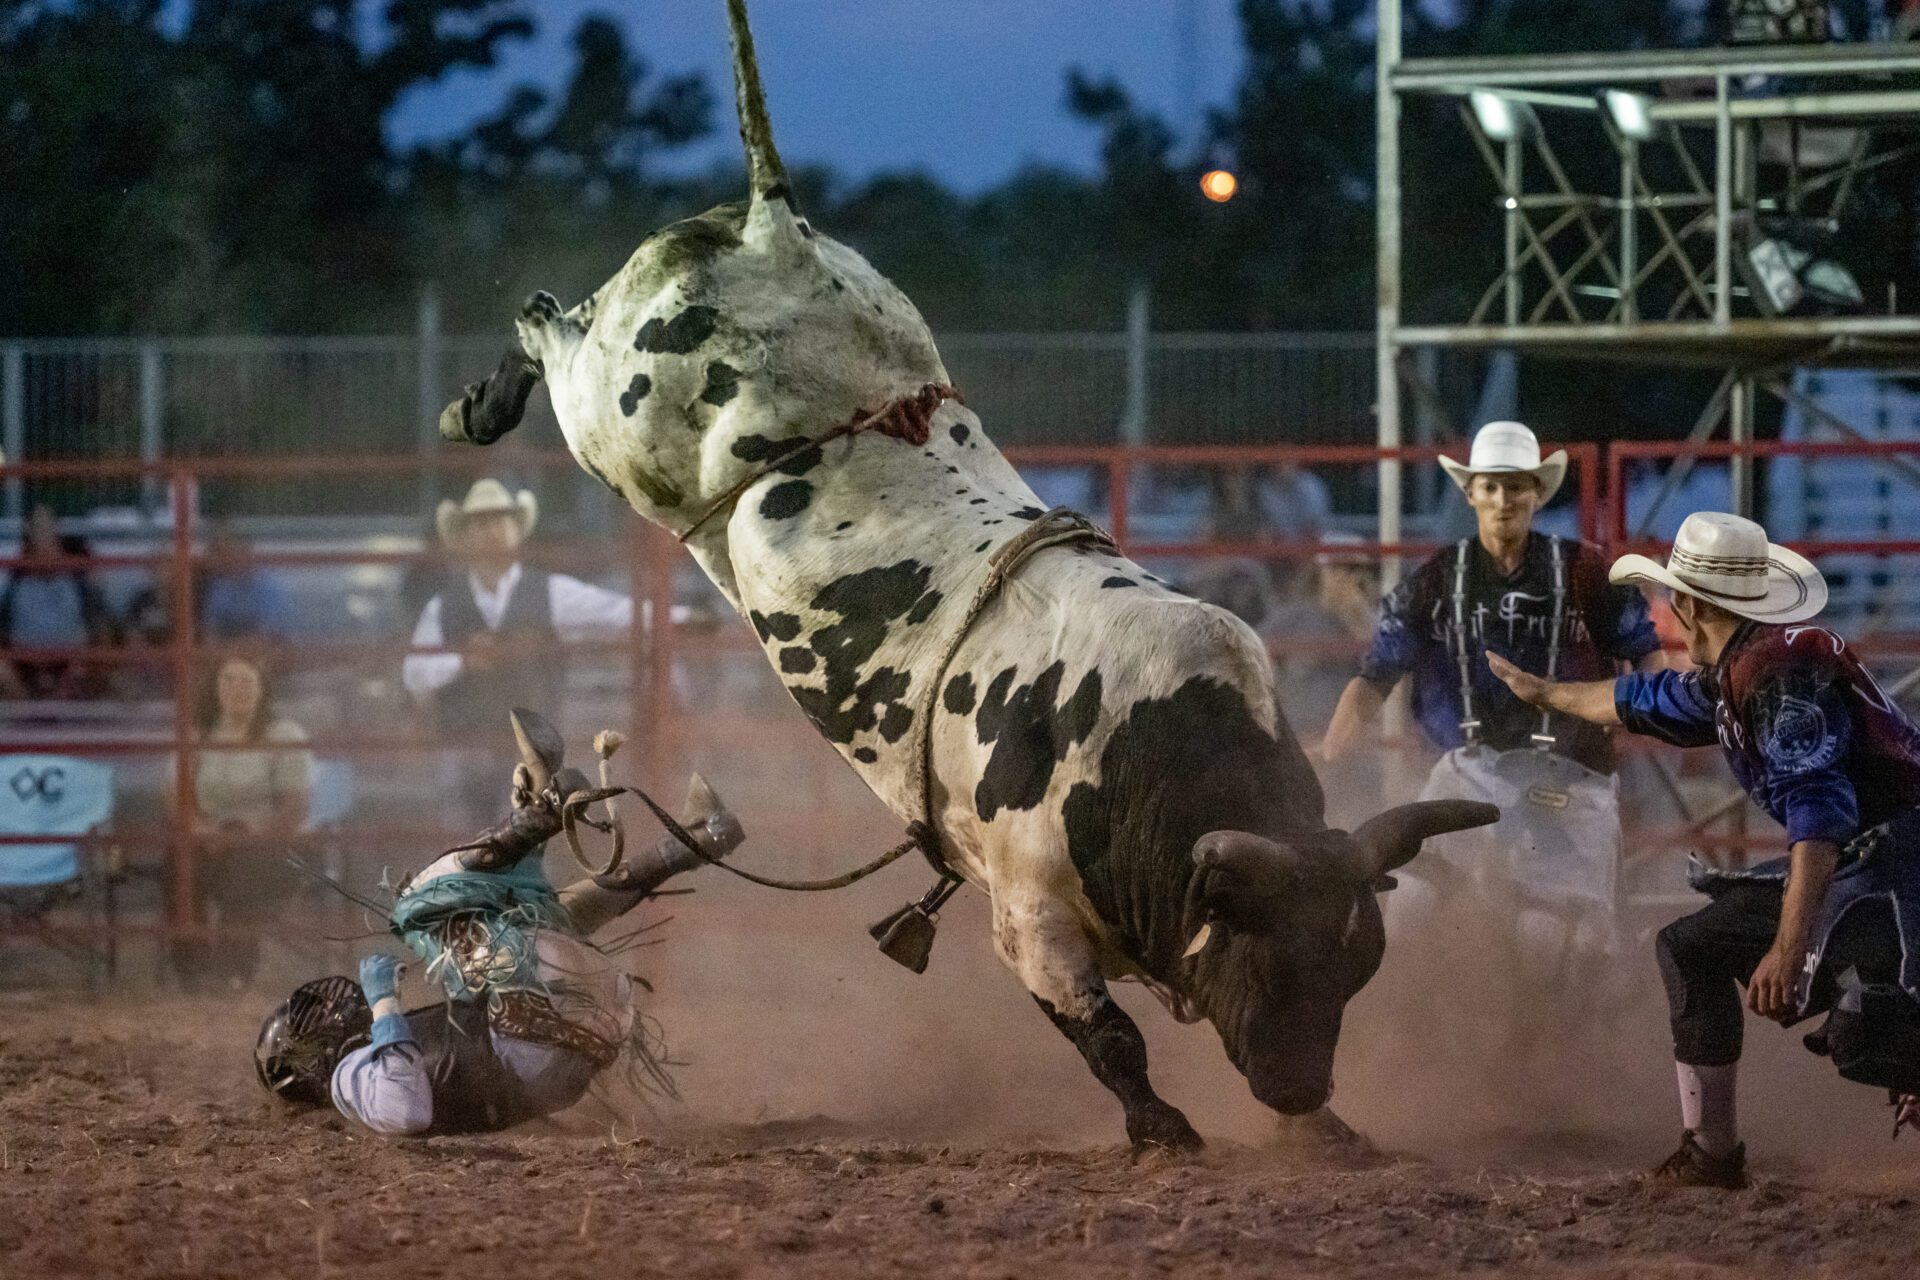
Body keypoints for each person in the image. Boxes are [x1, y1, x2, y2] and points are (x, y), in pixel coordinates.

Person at [1493, 511, 1920, 1187]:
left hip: (1899, 868)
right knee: (1692, 946)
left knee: (1872, 1030)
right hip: (1875, 864)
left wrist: (1787, 947)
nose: (1666, 611)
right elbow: (1644, 698)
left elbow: (1819, 818)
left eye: (1672, 597)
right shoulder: (1742, 666)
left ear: (1692, 604)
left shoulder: (1773, 675)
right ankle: (1710, 1153)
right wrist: (1546, 693)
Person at [254, 710, 745, 1135]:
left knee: (541, 925)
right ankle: (539, 813)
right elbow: (406, 1112)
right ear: (311, 1063)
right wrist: (383, 1001)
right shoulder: (346, 1081)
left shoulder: (387, 1064)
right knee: (413, 911)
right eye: (311, 1023)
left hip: (572, 1041)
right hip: (533, 1036)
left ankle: (699, 838)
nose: (330, 1006)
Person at [1322, 422, 1660, 932]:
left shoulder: (1587, 573)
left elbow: (1648, 655)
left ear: (1537, 494)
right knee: (1408, 910)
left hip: (1569, 774)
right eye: (1491, 486)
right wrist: (1331, 754)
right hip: (1465, 770)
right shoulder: (1437, 577)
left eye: (1516, 485)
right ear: (1471, 493)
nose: (1504, 499)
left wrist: (1638, 713)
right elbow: (1375, 677)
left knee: (1556, 940)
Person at [402, 479, 632, 822]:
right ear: (465, 537)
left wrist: (686, 618)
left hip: (532, 750)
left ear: (516, 530)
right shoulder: (445, 605)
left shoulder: (550, 592)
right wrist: (463, 661)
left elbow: (615, 612)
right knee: (465, 843)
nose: (492, 531)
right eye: (481, 524)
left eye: (500, 521)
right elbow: (414, 672)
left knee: (529, 838)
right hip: (465, 745)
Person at [170, 654, 312, 984]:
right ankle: (191, 969)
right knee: (180, 858)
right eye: (228, 680)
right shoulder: (197, 736)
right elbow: (177, 798)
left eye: (247, 681)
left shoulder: (285, 735)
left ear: (263, 689)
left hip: (268, 841)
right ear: (215, 688)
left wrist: (249, 832)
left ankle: (233, 968)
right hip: (209, 837)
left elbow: (295, 809)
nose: (237, 689)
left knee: (247, 863)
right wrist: (202, 830)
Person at [0, 504, 113, 698]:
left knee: (92, 664)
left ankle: (62, 713)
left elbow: (97, 612)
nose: (41, 532)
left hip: (71, 656)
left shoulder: (77, 569)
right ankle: (28, 719)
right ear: (28, 532)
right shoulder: (16, 573)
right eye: (36, 527)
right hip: (23, 658)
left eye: (46, 526)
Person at [197, 520, 295, 642]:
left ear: (244, 552)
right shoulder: (220, 587)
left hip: (270, 654)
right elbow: (210, 633)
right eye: (217, 554)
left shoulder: (270, 586)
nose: (216, 561)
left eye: (225, 554)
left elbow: (269, 635)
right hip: (229, 654)